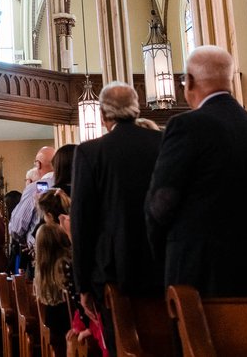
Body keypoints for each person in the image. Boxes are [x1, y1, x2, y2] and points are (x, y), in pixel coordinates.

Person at [146, 46, 247, 297]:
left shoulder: (187, 125)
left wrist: (162, 255)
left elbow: (161, 201)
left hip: (202, 275)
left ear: (191, 82)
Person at [71, 82, 163, 355]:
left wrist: (83, 285)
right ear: (137, 109)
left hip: (113, 270)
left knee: (121, 344)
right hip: (162, 264)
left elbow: (82, 223)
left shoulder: (90, 152)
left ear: (102, 115)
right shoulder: (164, 142)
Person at [9, 146, 56, 268]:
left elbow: (17, 226)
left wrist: (26, 241)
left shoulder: (35, 188)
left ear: (38, 164)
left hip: (41, 252)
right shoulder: (73, 185)